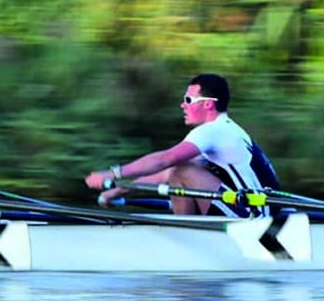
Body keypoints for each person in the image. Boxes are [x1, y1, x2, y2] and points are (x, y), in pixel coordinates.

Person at [84, 73, 280, 216]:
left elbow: (164, 160)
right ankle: (187, 228)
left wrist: (112, 174)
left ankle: (186, 232)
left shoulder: (213, 131)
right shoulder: (224, 131)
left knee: (180, 169)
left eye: (188, 100)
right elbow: (163, 173)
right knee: (180, 169)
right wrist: (117, 191)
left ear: (207, 104)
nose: (183, 105)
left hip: (254, 215)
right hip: (257, 209)